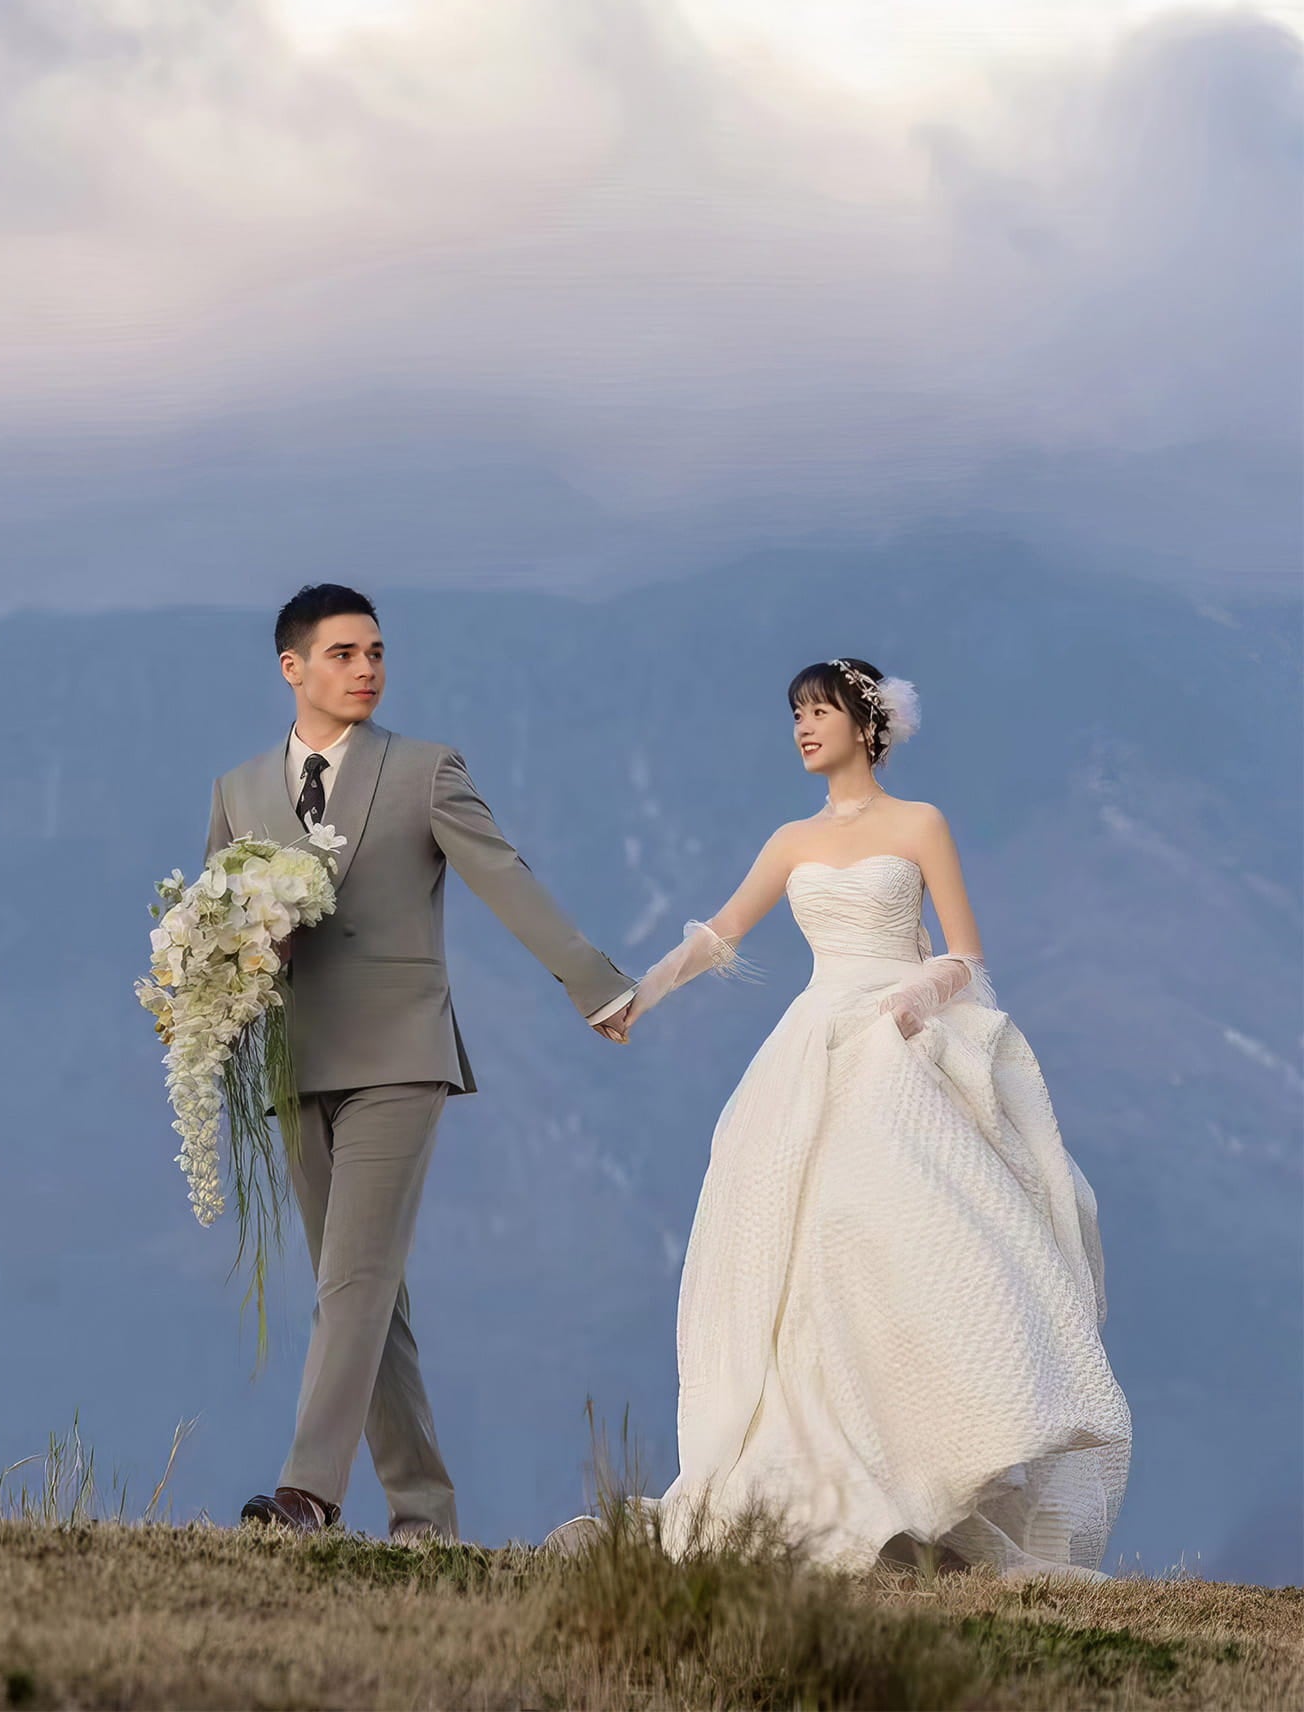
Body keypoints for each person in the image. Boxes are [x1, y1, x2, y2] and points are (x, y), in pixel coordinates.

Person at [557, 658, 1131, 1578]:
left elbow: (966, 954)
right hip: (810, 1049)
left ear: (867, 726)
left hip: (895, 1044)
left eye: (818, 711)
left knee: (903, 1238)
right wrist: (639, 996)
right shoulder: (790, 840)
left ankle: (925, 1456)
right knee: (797, 1249)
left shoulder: (920, 825)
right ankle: (815, 1464)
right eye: (794, 714)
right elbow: (719, 933)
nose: (802, 727)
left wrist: (915, 1001)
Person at [212, 583, 636, 1542]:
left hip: (400, 1056)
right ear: (294, 668)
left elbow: (505, 878)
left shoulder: (424, 769)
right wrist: (200, 1015)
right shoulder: (238, 792)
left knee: (353, 1282)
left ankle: (307, 1495)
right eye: (346, 654)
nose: (368, 670)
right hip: (292, 1064)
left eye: (377, 653)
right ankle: (425, 1515)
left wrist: (593, 984)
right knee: (364, 1292)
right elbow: (218, 925)